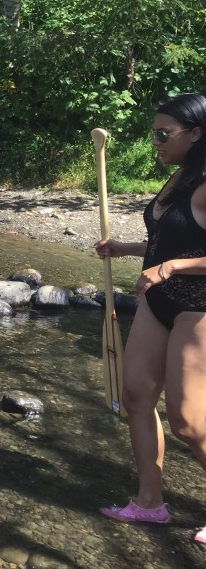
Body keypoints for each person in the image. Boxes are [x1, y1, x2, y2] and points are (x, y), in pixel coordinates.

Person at [95, 93, 206, 542]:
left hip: (199, 307)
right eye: (153, 133)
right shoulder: (178, 178)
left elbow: (181, 258)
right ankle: (149, 503)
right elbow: (170, 239)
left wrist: (170, 268)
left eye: (164, 134)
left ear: (195, 134)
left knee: (188, 422)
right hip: (158, 300)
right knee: (136, 398)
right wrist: (127, 250)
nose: (155, 142)